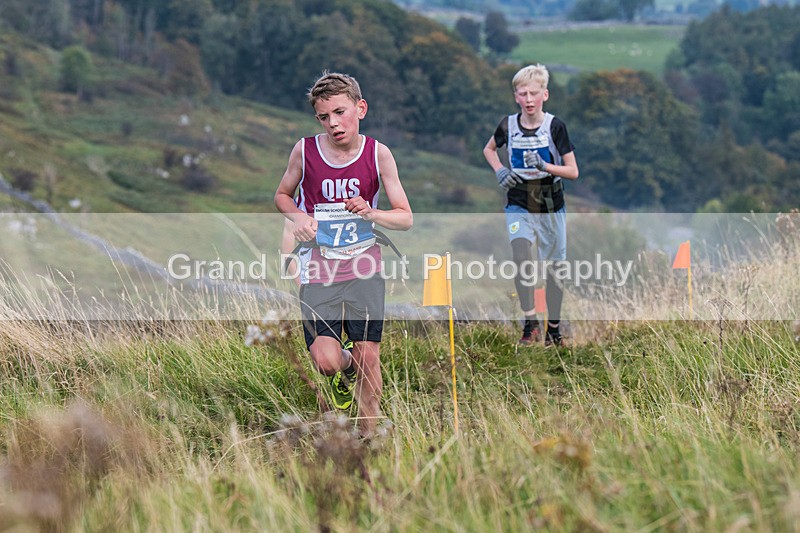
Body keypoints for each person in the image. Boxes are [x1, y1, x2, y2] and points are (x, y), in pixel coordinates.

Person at [274, 71, 413, 436]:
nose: (334, 123)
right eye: (324, 117)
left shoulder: (378, 154)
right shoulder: (304, 151)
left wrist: (372, 213)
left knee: (370, 355)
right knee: (326, 361)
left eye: (340, 112)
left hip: (365, 265)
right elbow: (282, 195)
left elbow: (405, 217)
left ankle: (368, 437)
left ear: (360, 108)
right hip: (320, 269)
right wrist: (299, 217)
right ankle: (345, 365)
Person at [482, 63, 579, 347]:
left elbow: (573, 171)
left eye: (534, 93)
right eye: (523, 94)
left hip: (550, 202)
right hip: (519, 201)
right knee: (521, 255)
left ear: (545, 95)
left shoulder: (555, 126)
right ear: (516, 97)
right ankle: (530, 324)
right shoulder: (507, 125)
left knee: (554, 269)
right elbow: (488, 149)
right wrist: (500, 169)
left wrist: (547, 166)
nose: (528, 99)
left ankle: (554, 329)